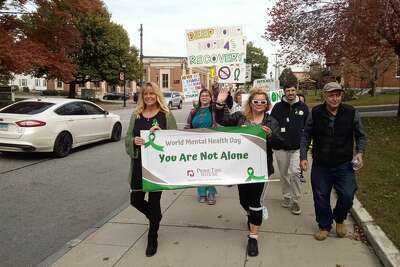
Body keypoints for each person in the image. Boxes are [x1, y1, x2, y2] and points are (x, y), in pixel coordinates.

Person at [215, 87, 278, 257]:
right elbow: (222, 120)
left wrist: (271, 135)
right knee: (244, 201)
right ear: (250, 103)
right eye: (255, 101)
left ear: (267, 105)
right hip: (241, 168)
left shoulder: (271, 121)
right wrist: (220, 102)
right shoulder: (240, 117)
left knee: (255, 202)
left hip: (261, 169)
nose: (259, 104)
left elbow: (280, 142)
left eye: (262, 102)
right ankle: (252, 215)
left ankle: (253, 237)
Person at [300, 82, 367, 241]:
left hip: (344, 164)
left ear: (341, 96)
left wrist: (360, 153)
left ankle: (339, 219)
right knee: (321, 196)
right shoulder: (315, 112)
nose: (335, 98)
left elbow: (361, 135)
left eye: (338, 95)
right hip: (321, 163)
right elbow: (306, 135)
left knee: (347, 194)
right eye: (331, 95)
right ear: (325, 95)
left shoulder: (351, 112)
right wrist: (303, 156)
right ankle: (324, 225)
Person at [125, 82, 177, 256]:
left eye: (152, 94)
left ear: (157, 95)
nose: (148, 97)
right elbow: (128, 136)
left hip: (158, 168)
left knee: (154, 202)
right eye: (145, 94)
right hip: (139, 164)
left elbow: (175, 139)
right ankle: (156, 218)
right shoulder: (137, 115)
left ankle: (152, 236)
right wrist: (134, 141)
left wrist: (161, 135)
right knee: (135, 200)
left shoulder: (166, 115)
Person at [270, 85, 309, 215]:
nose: (290, 93)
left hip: (297, 148)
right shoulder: (277, 107)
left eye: (293, 90)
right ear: (284, 92)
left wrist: (306, 145)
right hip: (281, 148)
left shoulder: (303, 108)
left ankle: (295, 200)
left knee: (295, 173)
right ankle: (287, 196)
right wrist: (277, 137)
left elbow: (308, 128)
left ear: (296, 91)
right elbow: (272, 124)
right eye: (288, 91)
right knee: (284, 174)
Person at [185, 88, 218, 205]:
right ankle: (201, 193)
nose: (204, 97)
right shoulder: (194, 111)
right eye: (202, 95)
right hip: (196, 146)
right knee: (199, 168)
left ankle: (211, 192)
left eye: (207, 95)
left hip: (211, 145)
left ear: (210, 98)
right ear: (199, 98)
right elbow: (187, 126)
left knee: (210, 169)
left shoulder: (214, 110)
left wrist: (215, 88)